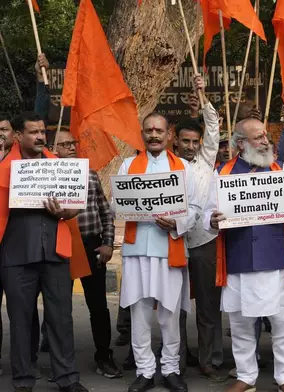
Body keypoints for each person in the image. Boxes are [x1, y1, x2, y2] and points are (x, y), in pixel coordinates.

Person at [203, 118, 284, 392]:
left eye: (265, 136)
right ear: (241, 144)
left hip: (277, 262)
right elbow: (205, 215)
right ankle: (246, 376)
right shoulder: (223, 174)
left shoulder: (280, 170)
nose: (265, 141)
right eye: (258, 137)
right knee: (241, 325)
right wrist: (211, 221)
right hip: (239, 261)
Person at [0, 112, 88, 392]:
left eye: (42, 132)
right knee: (21, 320)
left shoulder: (59, 166)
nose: (40, 136)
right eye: (33, 132)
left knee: (61, 318)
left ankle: (68, 379)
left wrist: (66, 211)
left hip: (55, 253)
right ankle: (23, 380)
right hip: (15, 256)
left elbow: (75, 207)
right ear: (18, 136)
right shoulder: (4, 167)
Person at [117, 112, 199, 392]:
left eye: (159, 131)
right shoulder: (128, 166)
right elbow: (119, 204)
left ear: (169, 136)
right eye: (149, 130)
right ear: (143, 133)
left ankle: (171, 369)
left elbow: (196, 209)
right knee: (139, 314)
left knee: (169, 314)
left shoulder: (184, 168)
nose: (153, 135)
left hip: (169, 248)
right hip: (137, 249)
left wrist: (177, 222)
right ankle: (144, 370)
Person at [53, 128, 121, 378]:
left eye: (73, 144)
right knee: (58, 307)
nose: (71, 148)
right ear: (53, 150)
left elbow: (105, 212)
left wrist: (108, 243)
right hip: (59, 247)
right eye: (65, 144)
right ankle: (60, 362)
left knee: (98, 305)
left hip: (91, 245)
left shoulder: (90, 175)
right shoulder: (46, 179)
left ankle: (104, 355)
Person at [173, 75, 226, 382]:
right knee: (176, 307)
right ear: (175, 141)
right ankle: (176, 362)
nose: (192, 146)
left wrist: (203, 95)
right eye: (186, 142)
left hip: (205, 239)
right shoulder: (166, 166)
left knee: (208, 305)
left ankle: (210, 361)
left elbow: (214, 126)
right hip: (174, 240)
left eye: (196, 141)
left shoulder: (207, 160)